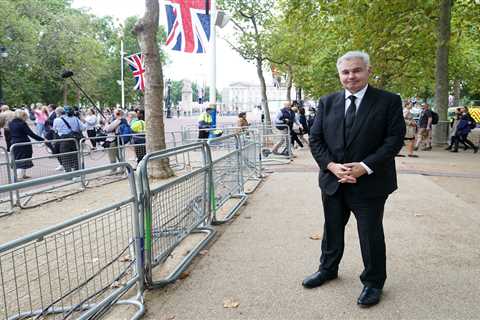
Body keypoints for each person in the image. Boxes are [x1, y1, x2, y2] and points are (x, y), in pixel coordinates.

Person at [305, 51, 405, 308]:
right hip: (333, 180)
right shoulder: (327, 102)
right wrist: (331, 166)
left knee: (370, 234)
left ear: (368, 71)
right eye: (346, 72)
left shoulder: (389, 101)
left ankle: (373, 282)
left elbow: (393, 141)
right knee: (332, 228)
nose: (351, 76)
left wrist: (364, 167)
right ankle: (328, 269)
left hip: (370, 183)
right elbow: (315, 139)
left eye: (357, 70)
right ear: (340, 75)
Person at [8, 109, 45, 179]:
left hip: (14, 142)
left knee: (18, 158)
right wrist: (42, 139)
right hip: (23, 143)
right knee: (23, 159)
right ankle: (19, 177)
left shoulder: (10, 123)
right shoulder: (22, 123)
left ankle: (22, 175)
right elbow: (31, 134)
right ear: (22, 116)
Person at [53, 106, 86, 172]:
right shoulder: (76, 119)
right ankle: (77, 174)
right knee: (75, 157)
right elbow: (84, 128)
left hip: (64, 141)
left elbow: (55, 130)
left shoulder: (57, 120)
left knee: (65, 157)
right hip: (75, 140)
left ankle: (68, 174)